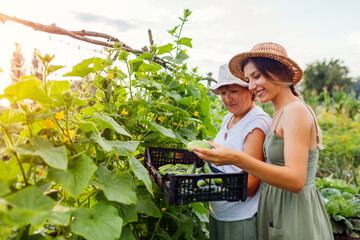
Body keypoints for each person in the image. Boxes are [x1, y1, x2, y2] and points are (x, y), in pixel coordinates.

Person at [194, 42, 334, 240]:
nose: (251, 86)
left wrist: (236, 158)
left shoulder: (295, 111)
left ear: (279, 72)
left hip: (293, 212)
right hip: (277, 208)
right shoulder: (280, 111)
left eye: (257, 76)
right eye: (249, 79)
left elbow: (296, 180)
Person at [207, 63, 272, 240]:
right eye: (222, 93)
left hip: (240, 218)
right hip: (219, 212)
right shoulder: (230, 117)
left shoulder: (256, 123)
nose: (228, 99)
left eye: (233, 91)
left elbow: (250, 185)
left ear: (250, 90)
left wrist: (207, 186)